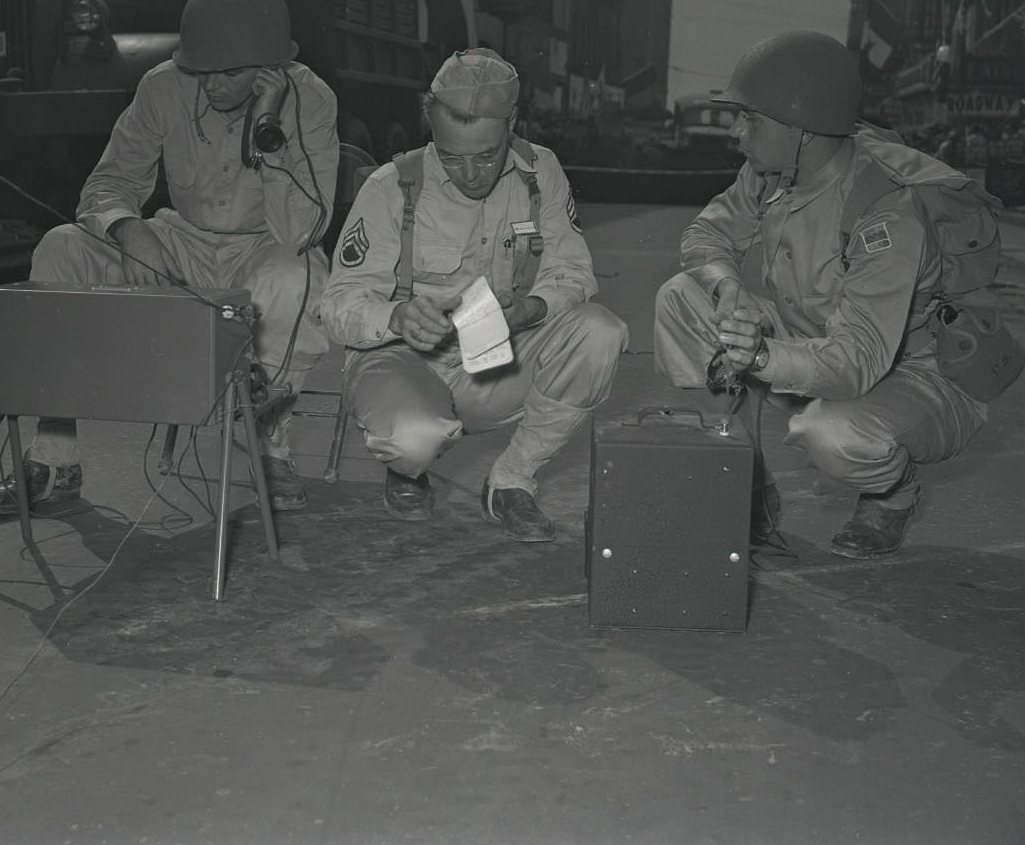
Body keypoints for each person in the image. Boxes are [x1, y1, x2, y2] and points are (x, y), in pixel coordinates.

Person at [0, 0, 339, 521]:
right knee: (60, 250)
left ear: (270, 69)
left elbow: (302, 230)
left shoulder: (310, 98)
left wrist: (269, 128)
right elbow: (107, 183)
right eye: (201, 69)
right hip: (181, 239)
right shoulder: (162, 85)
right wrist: (127, 228)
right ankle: (55, 461)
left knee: (299, 273)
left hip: (263, 246)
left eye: (231, 73)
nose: (211, 85)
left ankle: (269, 447)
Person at [653, 31, 988, 559]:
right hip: (817, 341)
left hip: (910, 374)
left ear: (802, 131)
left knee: (833, 436)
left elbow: (857, 361)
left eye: (751, 119)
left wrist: (760, 354)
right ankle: (743, 471)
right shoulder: (770, 175)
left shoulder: (885, 213)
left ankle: (892, 497)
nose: (737, 131)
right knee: (681, 298)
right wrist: (727, 286)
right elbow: (706, 235)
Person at [319, 48, 628, 542]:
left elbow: (573, 271)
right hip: (402, 358)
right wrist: (396, 316)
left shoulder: (539, 172)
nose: (469, 174)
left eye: (486, 155)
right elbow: (335, 307)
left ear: (512, 125)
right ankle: (407, 465)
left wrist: (534, 307)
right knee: (414, 440)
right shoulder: (390, 187)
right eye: (451, 157)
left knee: (600, 332)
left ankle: (510, 480)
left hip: (492, 356)